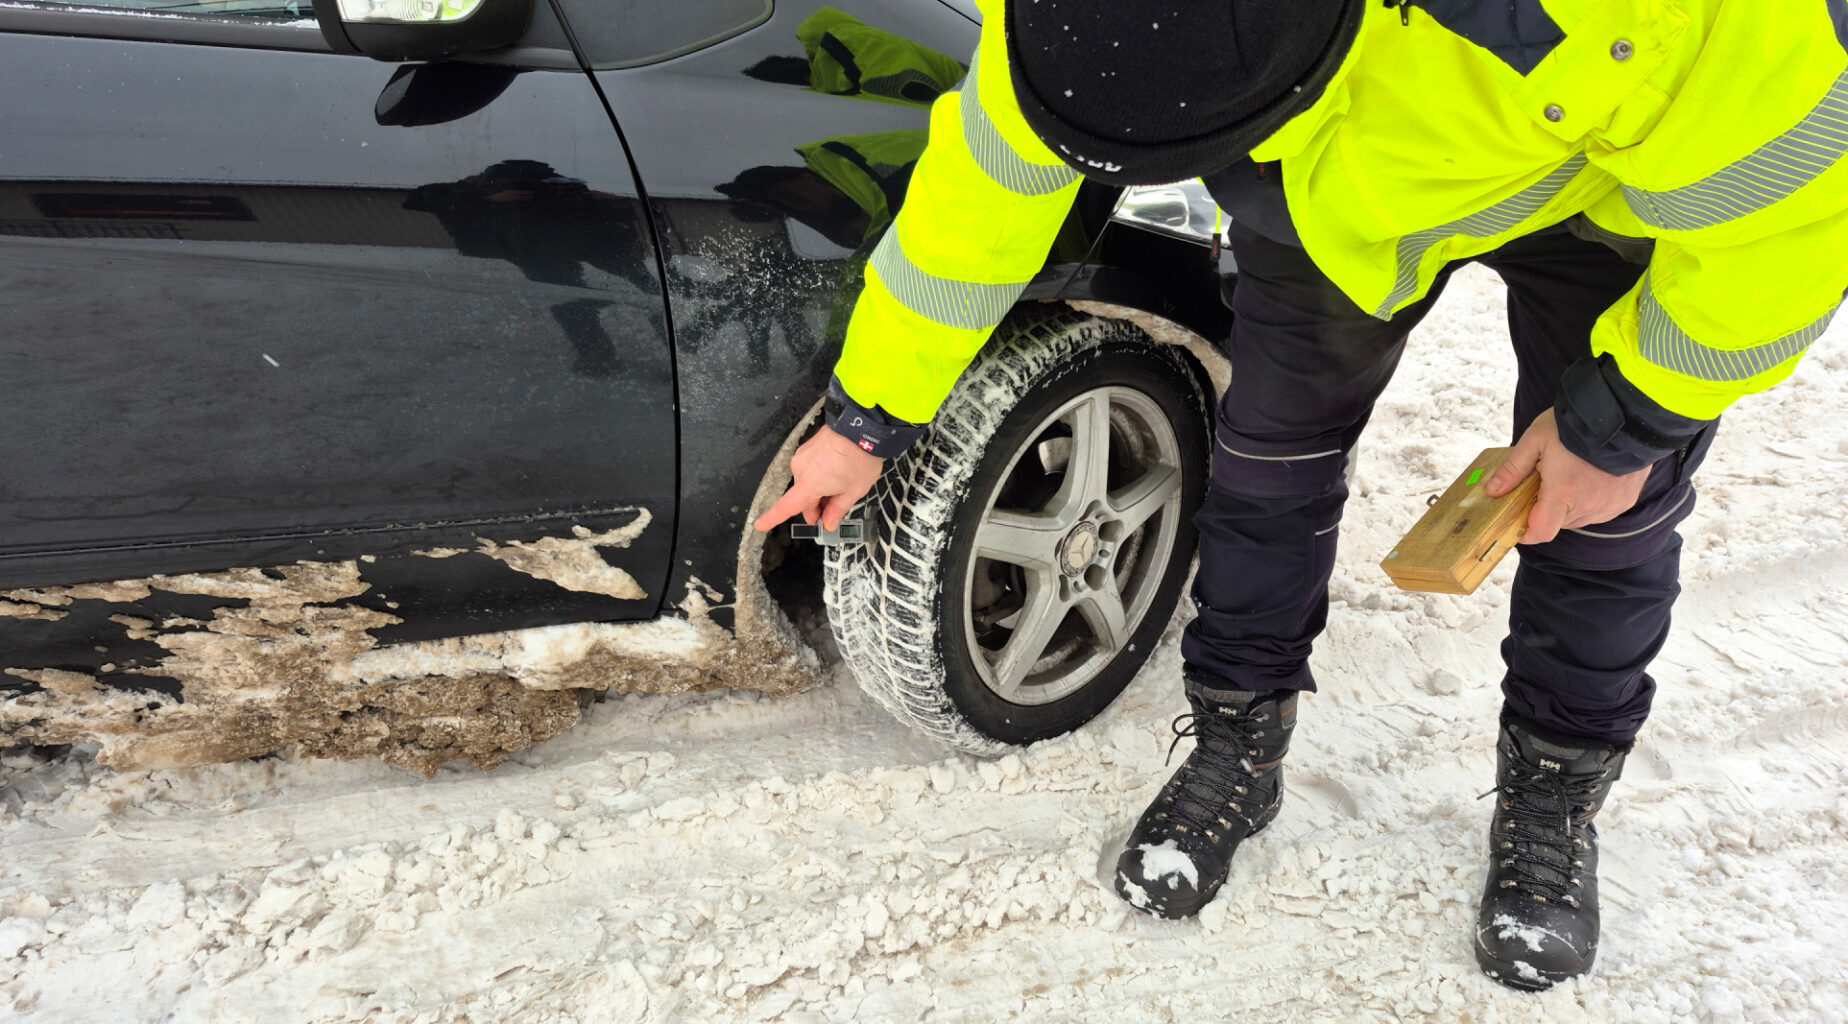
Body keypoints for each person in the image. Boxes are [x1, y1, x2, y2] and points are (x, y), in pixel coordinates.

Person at [754, 0, 1848, 990]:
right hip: (1326, 202)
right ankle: (1238, 744)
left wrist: (1631, 419)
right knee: (1266, 463)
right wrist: (870, 412)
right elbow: (991, 181)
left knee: (1603, 513)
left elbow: (1798, 204)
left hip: (1602, 202)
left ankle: (1554, 791)